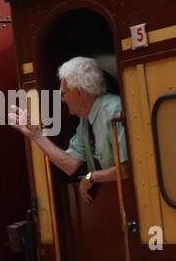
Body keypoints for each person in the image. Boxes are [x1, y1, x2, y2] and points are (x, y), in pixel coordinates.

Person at [9, 56, 128, 204]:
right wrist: (36, 135)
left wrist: (91, 177)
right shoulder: (85, 120)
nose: (62, 99)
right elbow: (70, 164)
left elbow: (126, 169)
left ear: (79, 91)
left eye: (63, 93)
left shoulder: (114, 111)